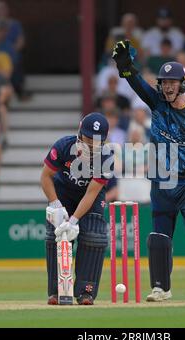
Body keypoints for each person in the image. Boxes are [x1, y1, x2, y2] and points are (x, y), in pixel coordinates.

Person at [112, 40, 185, 303]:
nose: (166, 87)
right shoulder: (157, 103)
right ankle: (160, 288)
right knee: (159, 236)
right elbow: (138, 83)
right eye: (164, 82)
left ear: (183, 84)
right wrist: (126, 66)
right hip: (162, 183)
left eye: (171, 83)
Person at [40, 112, 113, 305]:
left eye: (95, 142)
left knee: (94, 236)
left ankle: (85, 292)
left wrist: (73, 221)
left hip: (90, 198)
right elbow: (45, 177)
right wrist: (56, 205)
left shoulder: (106, 157)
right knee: (55, 235)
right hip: (62, 193)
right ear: (80, 133)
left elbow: (91, 193)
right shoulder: (63, 146)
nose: (90, 145)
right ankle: (56, 291)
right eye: (87, 139)